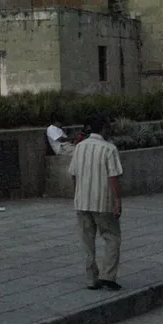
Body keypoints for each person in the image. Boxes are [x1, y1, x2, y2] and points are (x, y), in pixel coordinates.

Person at [70, 116, 123, 290]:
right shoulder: (109, 148)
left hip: (82, 201)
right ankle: (108, 275)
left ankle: (91, 279)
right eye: (108, 127)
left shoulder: (79, 147)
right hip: (103, 202)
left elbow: (73, 174)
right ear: (103, 128)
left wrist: (78, 193)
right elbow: (113, 176)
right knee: (112, 237)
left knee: (87, 241)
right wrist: (117, 200)